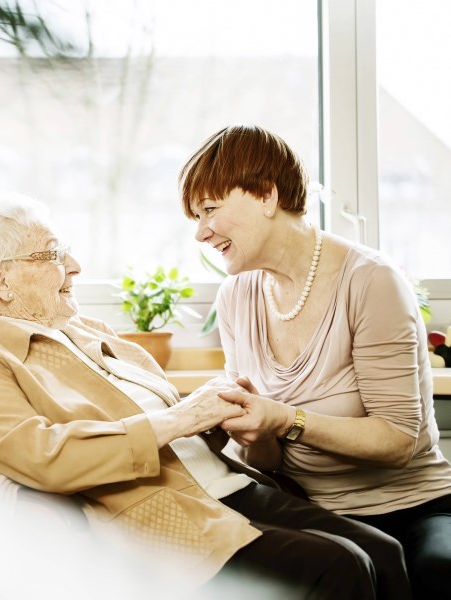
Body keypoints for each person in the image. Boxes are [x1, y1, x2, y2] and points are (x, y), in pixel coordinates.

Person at [0, 192, 411, 599]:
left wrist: (215, 411)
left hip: (228, 485)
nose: (75, 267)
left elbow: (164, 415)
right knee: (340, 565)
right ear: (0, 280)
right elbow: (41, 455)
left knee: (384, 552)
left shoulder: (85, 330)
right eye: (54, 254)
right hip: (167, 515)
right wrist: (183, 417)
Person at [178, 124, 451, 599]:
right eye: (196, 217)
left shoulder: (371, 281)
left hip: (412, 506)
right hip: (308, 509)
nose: (201, 232)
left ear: (266, 195)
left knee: (437, 572)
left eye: (211, 209)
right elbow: (265, 460)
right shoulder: (236, 296)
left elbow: (399, 441)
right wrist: (255, 433)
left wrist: (284, 419)